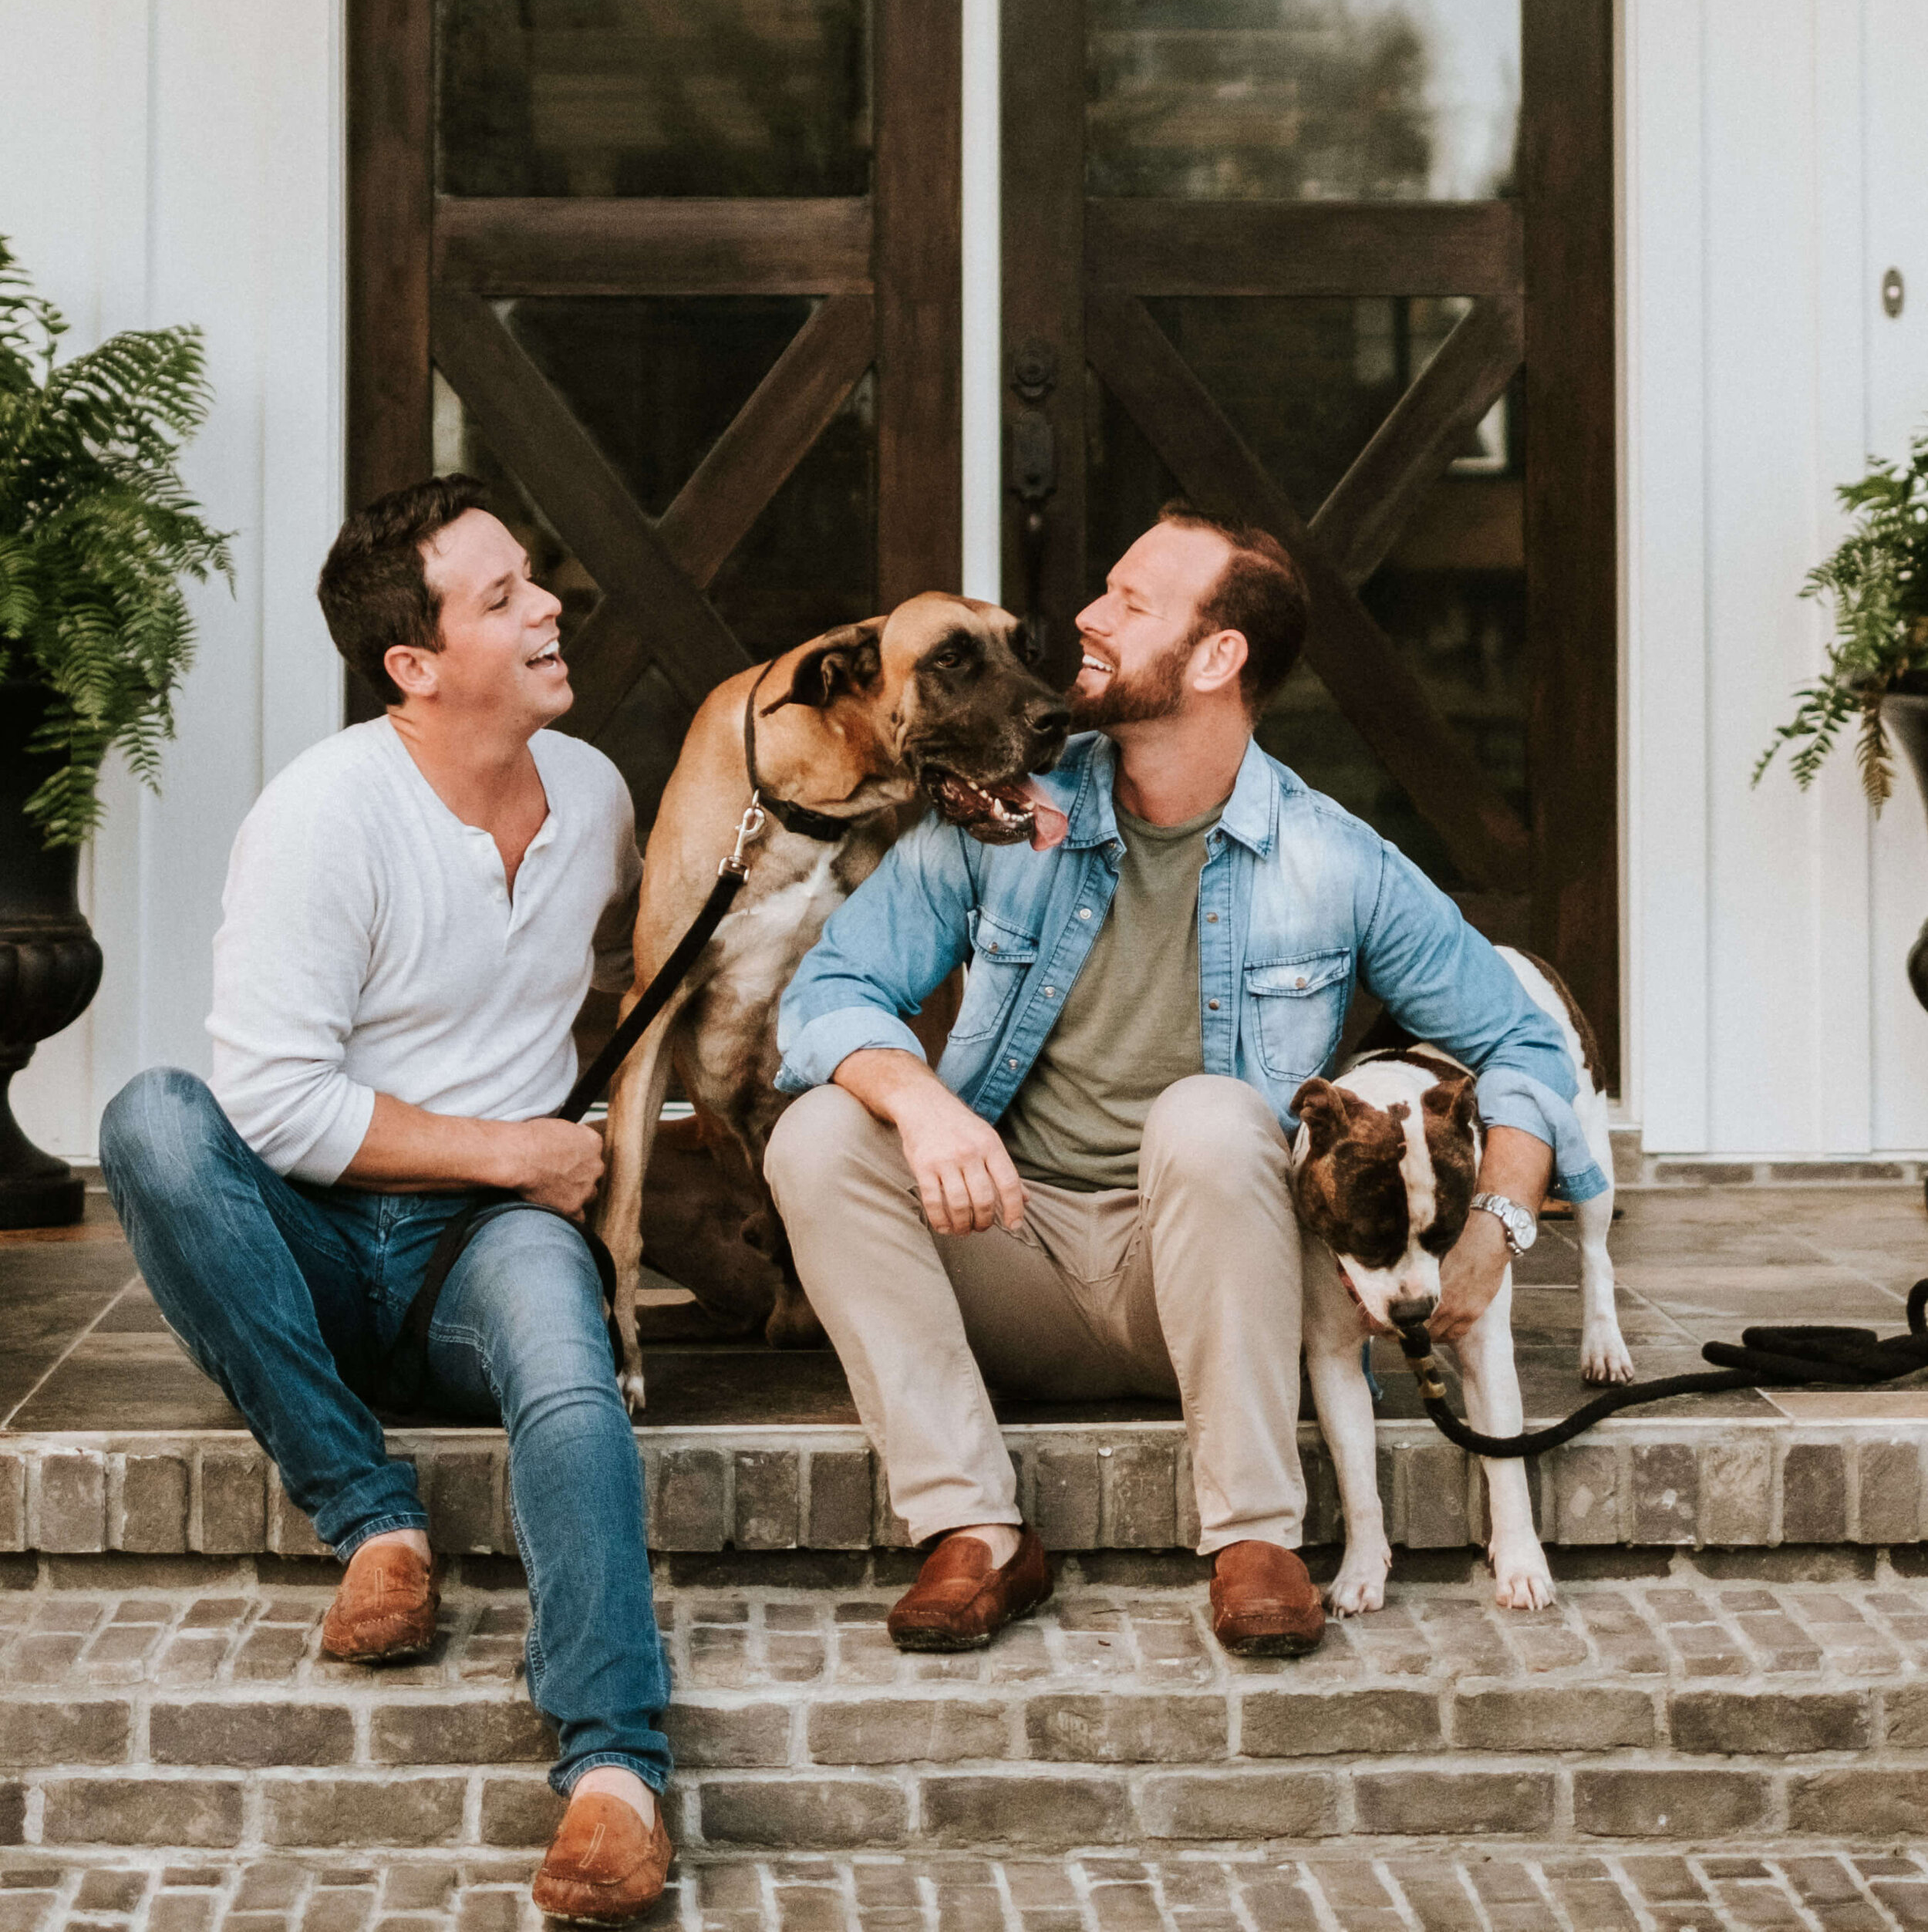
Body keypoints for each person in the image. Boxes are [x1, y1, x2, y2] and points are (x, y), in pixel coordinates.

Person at [765, 501, 1602, 1660]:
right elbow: (823, 995)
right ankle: (974, 1528)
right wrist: (922, 1103)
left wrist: (1499, 1221)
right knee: (816, 1132)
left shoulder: (1334, 859)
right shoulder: (1005, 817)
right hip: (1011, 1250)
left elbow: (1525, 1046)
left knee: (1213, 1118)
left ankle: (1256, 1532)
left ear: (1218, 658)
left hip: (1208, 1281)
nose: (1087, 620)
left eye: (1130, 603)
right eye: (1104, 591)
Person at [99, 477, 673, 1924]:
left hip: (495, 1251)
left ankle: (616, 1770)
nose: (548, 606)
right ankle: (374, 1519)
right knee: (153, 1121)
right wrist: (515, 1150)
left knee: (571, 1365)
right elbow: (277, 1103)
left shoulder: (597, 794)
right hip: (320, 1240)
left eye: (533, 578)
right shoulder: (323, 817)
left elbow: (653, 984)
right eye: (502, 597)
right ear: (414, 664)